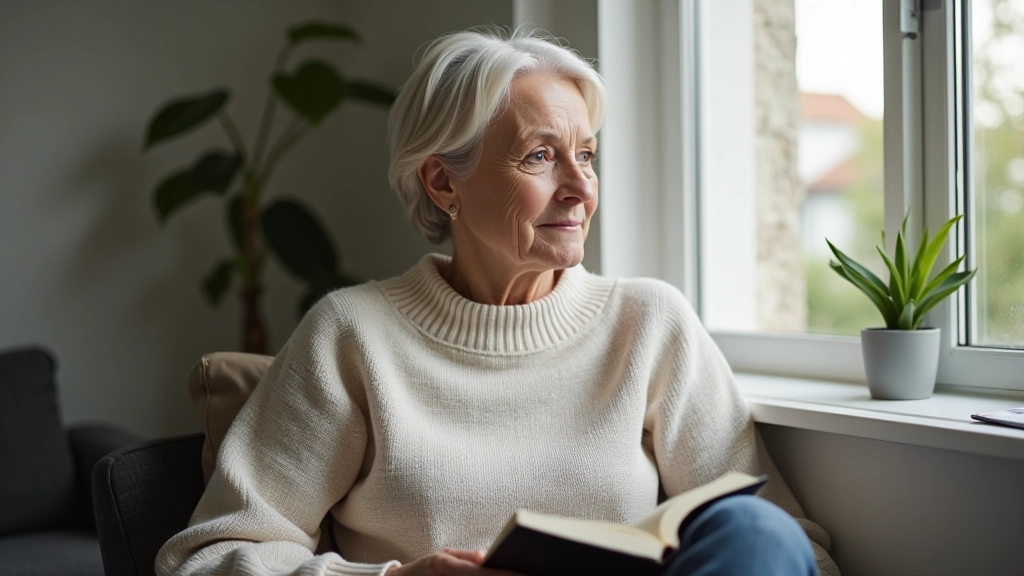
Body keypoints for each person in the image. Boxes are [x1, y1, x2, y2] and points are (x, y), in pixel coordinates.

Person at [156, 27, 840, 576]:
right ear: (442, 183)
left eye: (587, 155)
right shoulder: (351, 336)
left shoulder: (650, 325)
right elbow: (208, 558)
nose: (580, 187)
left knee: (756, 530)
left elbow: (796, 550)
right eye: (540, 156)